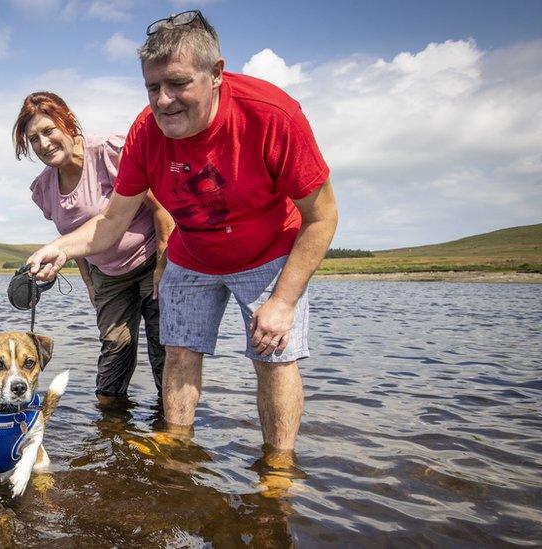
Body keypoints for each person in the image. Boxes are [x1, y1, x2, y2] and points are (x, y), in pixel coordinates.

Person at [27, 11, 338, 455]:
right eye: (153, 87)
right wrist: (60, 248)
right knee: (178, 352)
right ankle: (175, 452)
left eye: (177, 84)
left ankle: (278, 470)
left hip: (268, 251)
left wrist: (283, 300)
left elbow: (322, 216)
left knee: (273, 356)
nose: (164, 100)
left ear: (216, 74)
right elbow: (111, 222)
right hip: (193, 254)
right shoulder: (144, 133)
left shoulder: (272, 115)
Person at [13, 91, 175, 402]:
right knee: (115, 348)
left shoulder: (108, 152)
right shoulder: (44, 188)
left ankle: (168, 430)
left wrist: (163, 264)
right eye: (34, 139)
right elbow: (73, 240)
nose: (44, 144)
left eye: (49, 131)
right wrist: (90, 284)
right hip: (108, 276)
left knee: (163, 346)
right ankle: (109, 429)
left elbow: (161, 208)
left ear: (68, 123)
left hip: (153, 260)